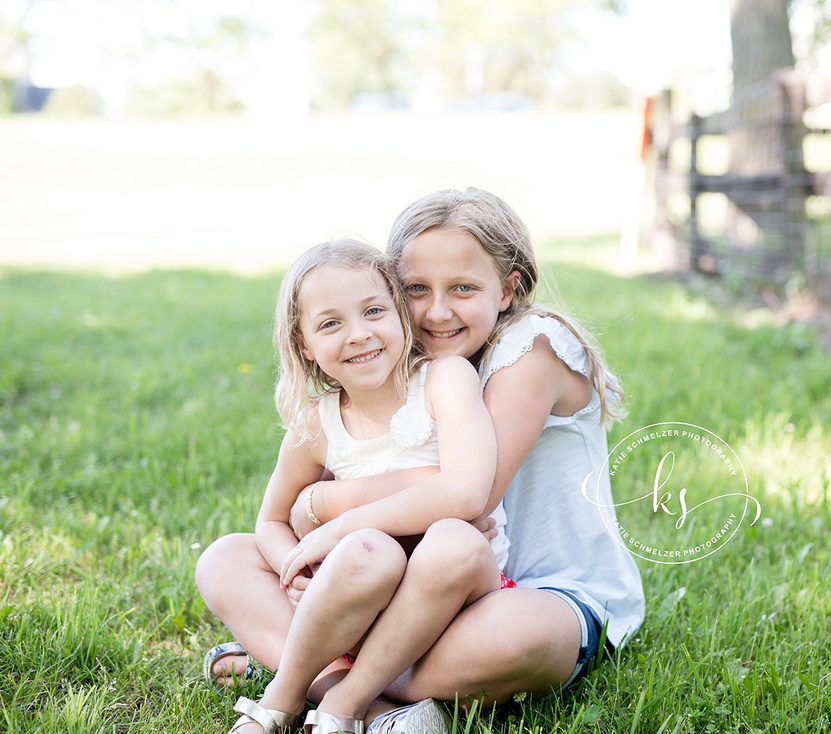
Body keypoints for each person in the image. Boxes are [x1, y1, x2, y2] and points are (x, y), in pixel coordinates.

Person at [196, 188, 645, 733]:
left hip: (533, 593)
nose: (436, 311)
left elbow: (465, 495)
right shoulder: (396, 367)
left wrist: (318, 503)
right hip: (406, 584)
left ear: (510, 289)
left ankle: (316, 672)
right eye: (415, 289)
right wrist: (307, 535)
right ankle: (371, 704)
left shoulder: (531, 349)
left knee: (514, 633)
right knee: (227, 560)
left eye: (462, 288)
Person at [215, 239, 507, 734]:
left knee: (427, 543)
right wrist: (297, 566)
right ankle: (334, 703)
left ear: (400, 314)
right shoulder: (316, 423)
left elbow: (465, 494)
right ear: (304, 343)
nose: (359, 335)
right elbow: (269, 519)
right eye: (331, 323)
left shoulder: (443, 379)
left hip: (447, 594)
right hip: (355, 599)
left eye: (374, 311)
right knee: (224, 557)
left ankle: (333, 701)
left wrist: (338, 527)